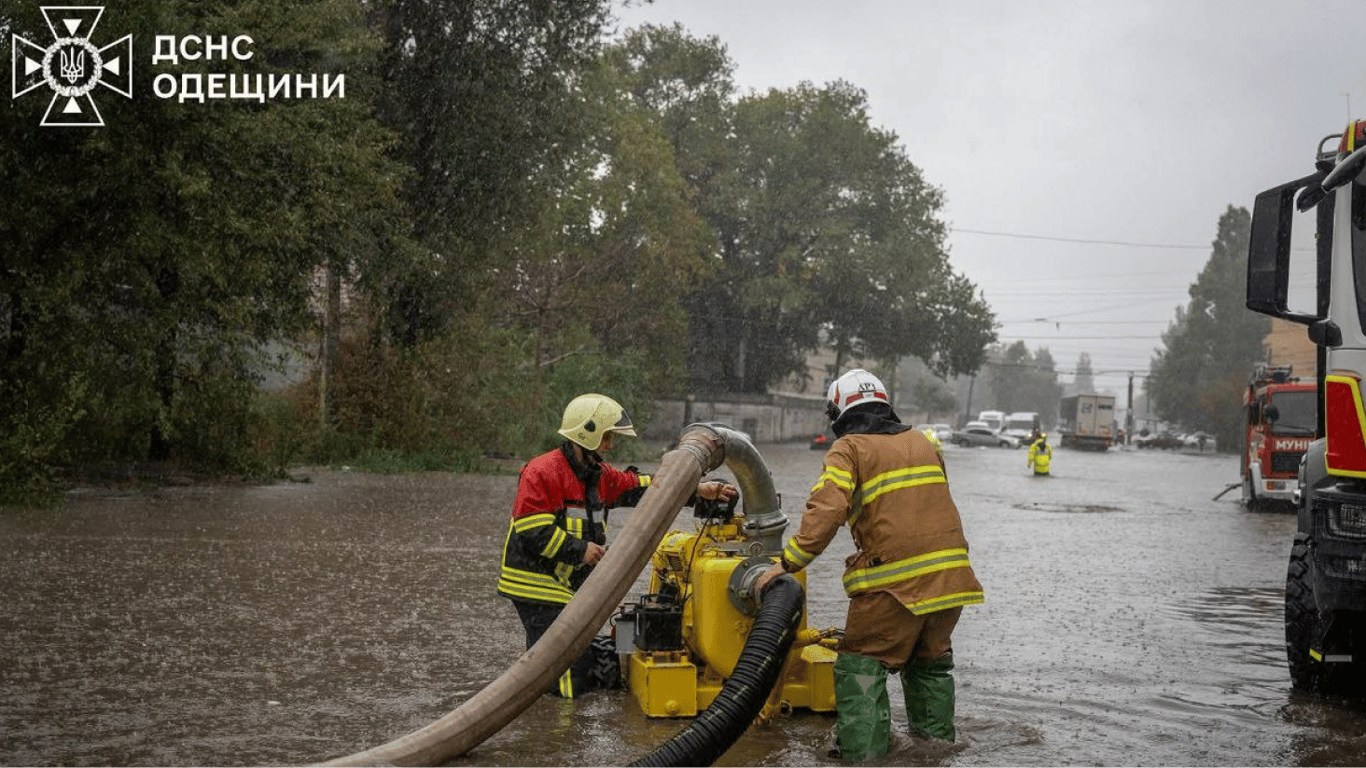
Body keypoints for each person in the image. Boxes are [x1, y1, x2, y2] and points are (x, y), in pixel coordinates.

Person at [758, 369, 983, 761]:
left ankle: (864, 757)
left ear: (839, 412)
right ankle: (936, 752)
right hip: (952, 580)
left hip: (894, 586)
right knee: (930, 665)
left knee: (860, 663)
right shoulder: (924, 442)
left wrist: (787, 563)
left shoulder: (849, 449)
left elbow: (827, 510)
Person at [497, 393, 736, 698]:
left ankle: (540, 701)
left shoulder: (598, 475)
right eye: (606, 437)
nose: (610, 445)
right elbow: (532, 530)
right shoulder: (542, 471)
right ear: (587, 433)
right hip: (535, 585)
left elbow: (645, 488)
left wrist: (696, 490)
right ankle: (560, 720)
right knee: (567, 668)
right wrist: (581, 550)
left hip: (564, 585)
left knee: (553, 660)